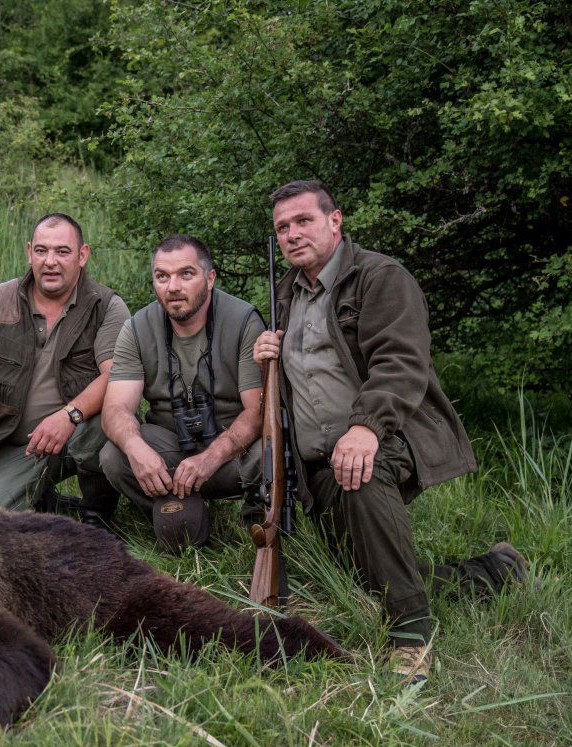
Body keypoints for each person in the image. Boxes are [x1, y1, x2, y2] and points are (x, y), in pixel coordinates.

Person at [253, 179, 530, 685]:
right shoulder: (285, 294)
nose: (292, 234)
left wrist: (366, 428)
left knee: (362, 474)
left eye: (303, 221)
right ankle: (495, 571)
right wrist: (267, 358)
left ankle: (410, 636)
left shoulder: (380, 277)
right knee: (369, 574)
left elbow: (400, 363)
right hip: (319, 458)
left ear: (335, 221)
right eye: (282, 228)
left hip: (389, 434)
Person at [0, 213, 130, 525]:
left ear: (82, 255)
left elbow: (115, 376)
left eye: (63, 251)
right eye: (42, 251)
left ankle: (96, 516)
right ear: (29, 252)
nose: (51, 262)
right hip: (14, 445)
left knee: (109, 422)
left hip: (77, 431)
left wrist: (69, 416)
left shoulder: (107, 306)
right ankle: (43, 498)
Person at [100, 234, 265, 549]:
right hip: (172, 447)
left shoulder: (244, 321)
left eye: (185, 274)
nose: (172, 286)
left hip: (229, 451)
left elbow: (256, 411)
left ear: (210, 278)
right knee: (113, 453)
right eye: (162, 276)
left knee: (266, 451)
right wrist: (137, 450)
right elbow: (115, 410)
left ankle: (254, 524)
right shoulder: (136, 329)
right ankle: (176, 513)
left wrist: (210, 458)